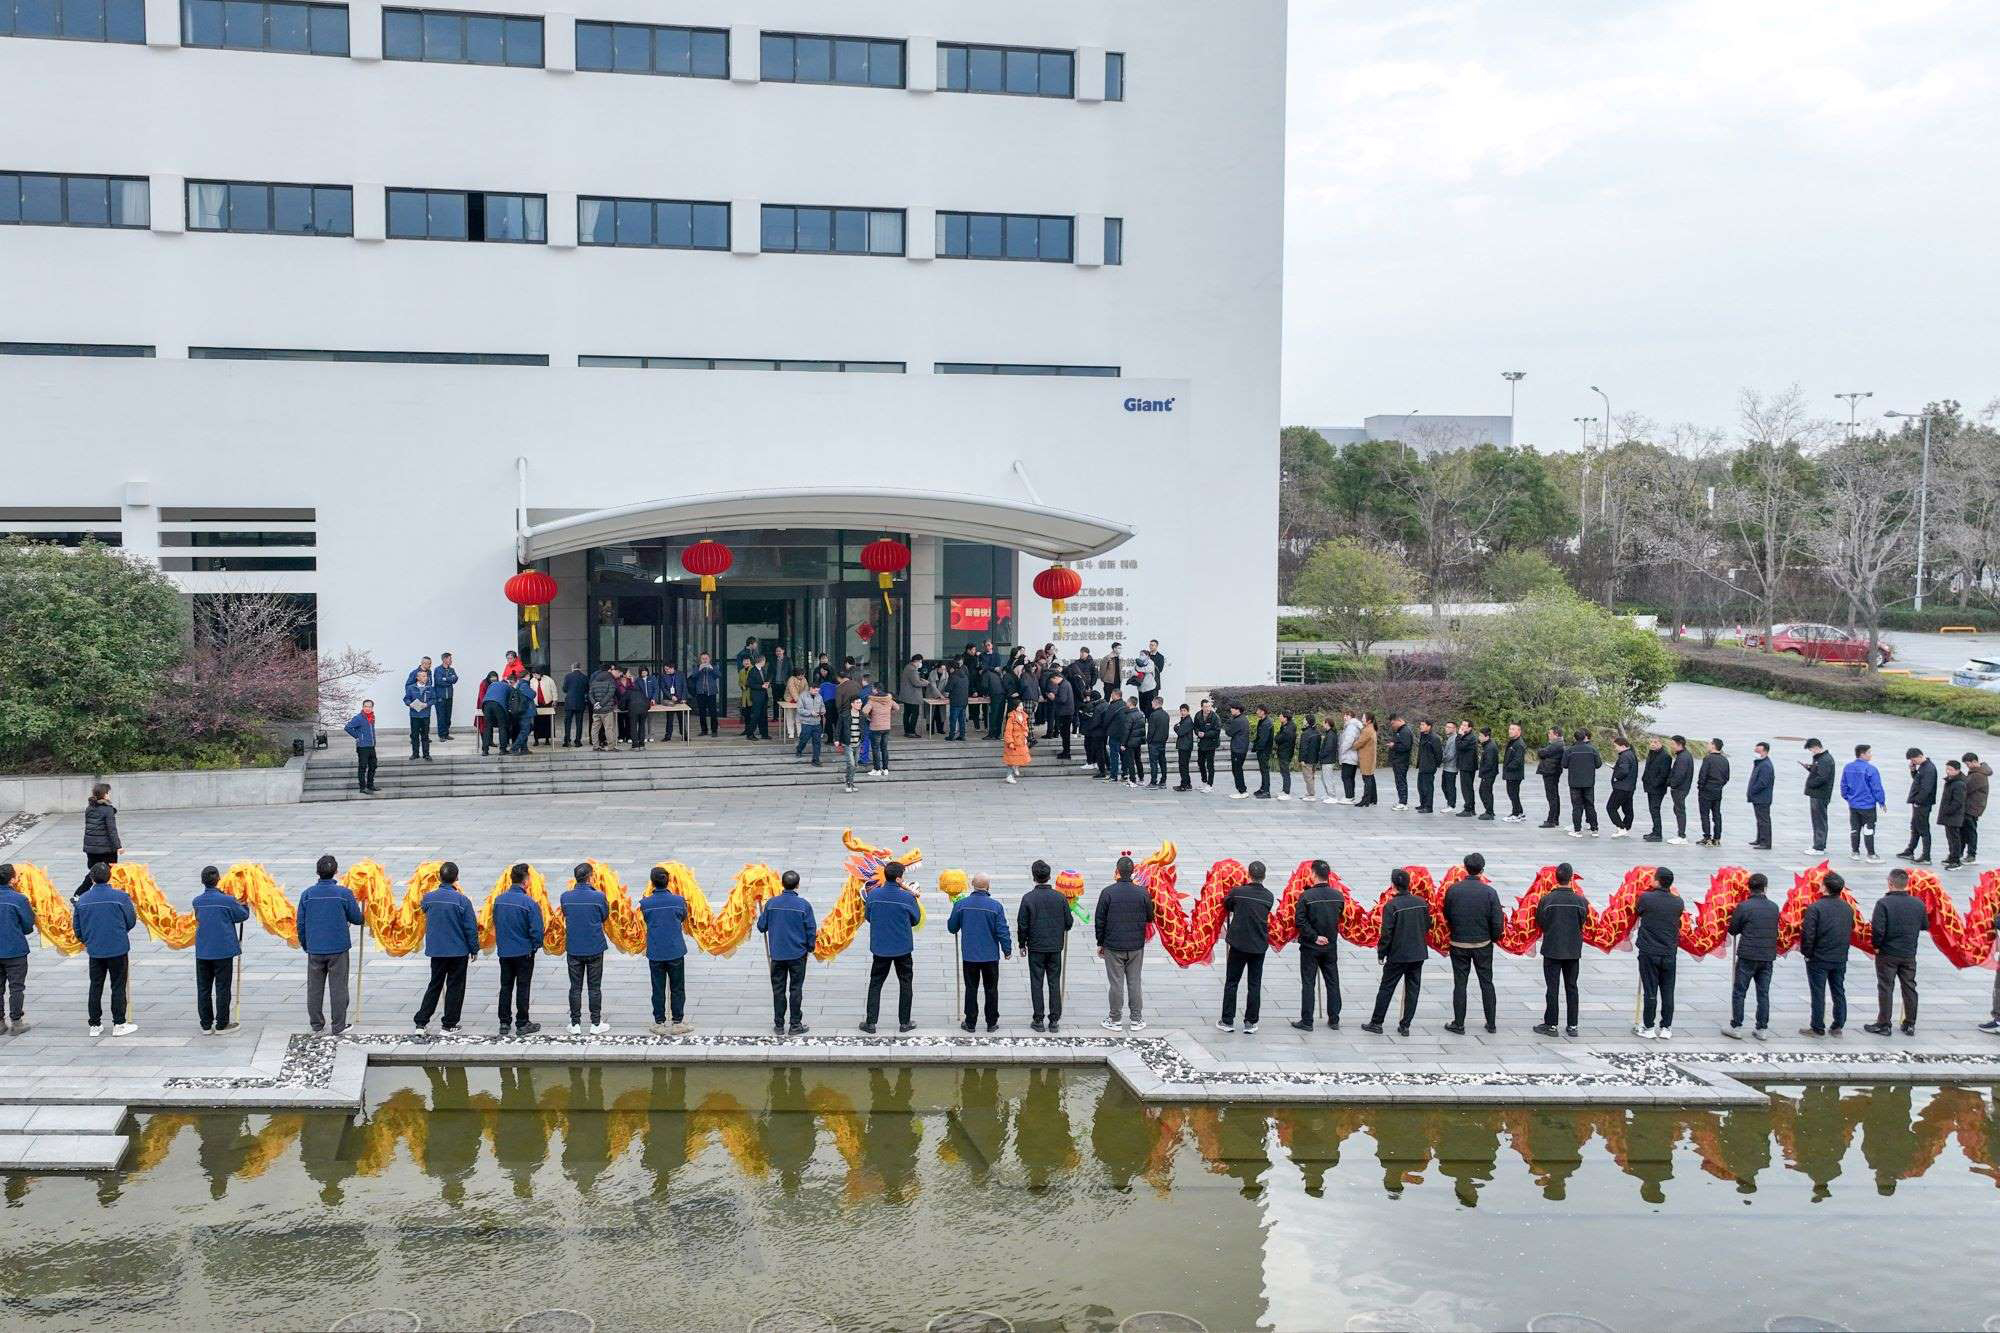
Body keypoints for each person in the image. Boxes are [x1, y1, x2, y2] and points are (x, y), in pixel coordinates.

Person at [298, 855, 362, 1034]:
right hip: (338, 948)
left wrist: (306, 944)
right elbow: (357, 918)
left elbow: (300, 923)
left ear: (317, 872)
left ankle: (317, 1025)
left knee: (314, 988)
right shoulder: (344, 893)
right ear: (336, 871)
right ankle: (338, 1026)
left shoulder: (307, 894)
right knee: (338, 987)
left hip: (315, 948)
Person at [413, 861, 479, 1033]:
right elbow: (470, 927)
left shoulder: (428, 898)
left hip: (437, 950)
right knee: (455, 987)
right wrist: (474, 948)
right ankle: (449, 1023)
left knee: (435, 984)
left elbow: (423, 909)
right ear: (457, 878)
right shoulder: (462, 901)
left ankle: (421, 1022)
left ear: (439, 877)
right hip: (458, 951)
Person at [1441, 852, 1503, 1034]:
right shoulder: (1490, 892)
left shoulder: (1453, 890)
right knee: (1487, 983)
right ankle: (1491, 1023)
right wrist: (1493, 938)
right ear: (1482, 870)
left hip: (1459, 943)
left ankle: (1458, 1024)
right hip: (1482, 944)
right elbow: (1497, 921)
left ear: (1465, 868)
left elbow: (1447, 914)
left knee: (1460, 984)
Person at [1362, 868, 1429, 1036]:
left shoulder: (1392, 905)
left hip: (1398, 954)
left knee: (1387, 988)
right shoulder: (1422, 902)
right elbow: (1427, 925)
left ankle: (1377, 1022)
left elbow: (1387, 933)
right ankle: (1405, 1025)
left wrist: (1381, 953)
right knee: (1413, 989)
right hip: (1418, 953)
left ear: (1393, 885)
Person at [75, 862, 138, 1037]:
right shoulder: (121, 897)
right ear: (110, 876)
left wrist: (87, 939)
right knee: (118, 985)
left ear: (92, 879)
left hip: (95, 949)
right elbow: (131, 920)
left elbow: (77, 927)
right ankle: (119, 1023)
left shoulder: (83, 900)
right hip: (117, 947)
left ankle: (94, 1024)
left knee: (95, 985)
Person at [1094, 855, 1154, 1030]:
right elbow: (1150, 917)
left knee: (1116, 983)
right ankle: (1136, 1019)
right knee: (1134, 981)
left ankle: (1115, 1019)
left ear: (1118, 872)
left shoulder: (1107, 892)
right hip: (1136, 945)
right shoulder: (1143, 892)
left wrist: (1100, 943)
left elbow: (1100, 920)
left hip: (1113, 946)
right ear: (1133, 871)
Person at [949, 872, 1013, 1032]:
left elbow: (952, 928)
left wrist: (955, 910)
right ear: (988, 886)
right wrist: (1007, 949)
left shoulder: (962, 904)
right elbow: (1002, 930)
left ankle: (970, 1022)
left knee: (971, 988)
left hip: (970, 955)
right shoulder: (996, 906)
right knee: (991, 988)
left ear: (972, 885)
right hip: (990, 955)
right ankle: (991, 1022)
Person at [861, 860, 920, 1034]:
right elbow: (915, 920)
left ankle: (871, 1023)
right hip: (902, 947)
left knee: (876, 983)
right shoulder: (907, 897)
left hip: (880, 947)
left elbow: (868, 916)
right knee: (905, 982)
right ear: (900, 878)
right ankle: (904, 1022)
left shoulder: (873, 895)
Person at [1215, 861, 1274, 1033]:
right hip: (1258, 945)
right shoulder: (1268, 896)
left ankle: (1227, 1020)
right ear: (1264, 876)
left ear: (1248, 875)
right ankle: (1251, 1022)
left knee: (1232, 982)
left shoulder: (1238, 892)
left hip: (1239, 944)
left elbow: (1228, 905)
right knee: (1254, 984)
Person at [1866, 867, 1926, 1035]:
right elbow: (1924, 925)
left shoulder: (1883, 903)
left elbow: (1878, 929)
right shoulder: (1918, 903)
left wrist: (1876, 946)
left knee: (1886, 987)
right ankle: (1910, 1023)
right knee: (1909, 987)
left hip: (1887, 953)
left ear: (1890, 883)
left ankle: (1884, 1024)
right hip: (1909, 953)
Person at [757, 870, 818, 1034]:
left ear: (782, 884)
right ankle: (795, 1024)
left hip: (777, 954)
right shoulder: (804, 905)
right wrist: (810, 947)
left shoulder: (771, 904)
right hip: (798, 954)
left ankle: (778, 1025)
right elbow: (811, 929)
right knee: (795, 989)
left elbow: (761, 926)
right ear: (797, 885)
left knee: (778, 990)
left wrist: (763, 912)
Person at [1532, 863, 1587, 1037]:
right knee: (1572, 987)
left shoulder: (1546, 900)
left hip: (1552, 949)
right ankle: (1572, 1025)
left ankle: (1551, 1024)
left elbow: (1541, 922)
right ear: (1571, 878)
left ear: (1556, 878)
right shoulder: (1580, 901)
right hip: (1572, 950)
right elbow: (1582, 921)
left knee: (1552, 987)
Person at [192, 865, 249, 1034]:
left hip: (203, 951)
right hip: (223, 950)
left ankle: (206, 1024)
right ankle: (222, 1023)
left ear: (203, 882)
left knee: (203, 988)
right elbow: (241, 916)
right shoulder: (227, 900)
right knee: (223, 987)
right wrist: (244, 904)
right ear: (218, 880)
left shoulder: (197, 901)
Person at [1017, 861, 1072, 1032]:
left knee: (1037, 982)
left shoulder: (1028, 898)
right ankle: (1054, 1020)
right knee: (1054, 982)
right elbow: (1068, 923)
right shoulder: (1060, 897)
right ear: (1049, 876)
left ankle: (1038, 1019)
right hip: (1055, 946)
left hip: (1036, 946)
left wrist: (1021, 943)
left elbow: (1022, 924)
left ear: (1034, 877)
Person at [1722, 871, 1779, 1039]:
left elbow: (1733, 929)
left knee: (1740, 991)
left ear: (1749, 888)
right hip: (1767, 956)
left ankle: (1737, 1026)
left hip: (1747, 954)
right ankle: (1762, 1029)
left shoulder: (1744, 906)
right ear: (1765, 888)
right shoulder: (1774, 907)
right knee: (1763, 993)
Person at [1798, 869, 1854, 1036]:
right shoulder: (1847, 908)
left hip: (1819, 957)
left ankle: (1817, 1026)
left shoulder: (1815, 908)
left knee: (1818, 991)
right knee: (1838, 990)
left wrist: (1807, 953)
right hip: (1840, 957)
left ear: (1825, 888)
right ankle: (1838, 1025)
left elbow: (1808, 934)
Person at [1290, 859, 1344, 1032]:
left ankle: (1307, 1021)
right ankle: (1334, 1019)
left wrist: (1314, 937)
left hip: (1310, 947)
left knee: (1308, 983)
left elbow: (1300, 921)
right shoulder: (1338, 896)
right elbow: (1340, 917)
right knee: (1332, 982)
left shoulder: (1306, 896)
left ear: (1313, 874)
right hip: (1330, 946)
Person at [492, 862, 544, 1036]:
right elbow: (536, 930)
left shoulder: (499, 900)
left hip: (505, 952)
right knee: (523, 986)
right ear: (526, 880)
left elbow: (496, 922)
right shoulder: (529, 903)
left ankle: (504, 1023)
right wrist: (535, 946)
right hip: (524, 952)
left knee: (505, 986)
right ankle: (522, 1023)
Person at [1633, 866, 1683, 1040]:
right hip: (1669, 952)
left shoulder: (1646, 898)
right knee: (1668, 991)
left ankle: (1648, 1027)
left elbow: (1637, 911)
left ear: (1658, 880)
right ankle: (1666, 1027)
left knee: (1650, 990)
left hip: (1649, 951)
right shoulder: (1678, 902)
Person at [640, 867, 692, 1035]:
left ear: (652, 882)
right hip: (675, 950)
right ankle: (678, 1022)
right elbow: (683, 917)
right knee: (677, 987)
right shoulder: (678, 901)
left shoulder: (645, 903)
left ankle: (659, 1022)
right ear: (668, 881)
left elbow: (646, 919)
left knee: (658, 987)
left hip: (655, 950)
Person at [561, 864, 611, 1035]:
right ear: (590, 877)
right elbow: (604, 915)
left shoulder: (565, 897)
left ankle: (575, 1024)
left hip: (574, 948)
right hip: (595, 947)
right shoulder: (598, 896)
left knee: (575, 987)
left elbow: (566, 914)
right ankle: (596, 1024)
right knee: (594, 987)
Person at [0, 865, 33, 1034]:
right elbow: (28, 926)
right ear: (12, 880)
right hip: (15, 950)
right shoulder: (19, 899)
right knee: (16, 987)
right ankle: (16, 1022)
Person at [1842, 743, 1887, 862]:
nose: (1871, 755)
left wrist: (1848, 798)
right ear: (1862, 754)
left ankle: (1855, 852)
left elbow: (1844, 785)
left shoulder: (1848, 767)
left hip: (1853, 804)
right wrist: (1881, 801)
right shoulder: (1871, 769)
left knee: (1855, 828)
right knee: (1869, 829)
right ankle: (1871, 854)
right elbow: (1876, 787)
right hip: (1868, 805)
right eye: (1869, 752)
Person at [76, 782, 122, 895]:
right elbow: (112, 830)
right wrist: (118, 846)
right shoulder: (108, 810)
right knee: (108, 872)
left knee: (94, 873)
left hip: (91, 849)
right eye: (108, 793)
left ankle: (79, 894)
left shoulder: (89, 808)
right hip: (106, 849)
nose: (109, 795)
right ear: (105, 795)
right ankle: (106, 895)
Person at [1900, 747, 1938, 864]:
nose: (1913, 762)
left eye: (1913, 760)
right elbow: (1918, 781)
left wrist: (1918, 801)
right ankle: (1910, 850)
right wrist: (1913, 770)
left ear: (1919, 756)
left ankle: (1926, 856)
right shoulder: (1923, 767)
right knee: (1915, 827)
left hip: (1923, 804)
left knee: (1923, 829)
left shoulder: (1929, 769)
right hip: (1919, 803)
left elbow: (1926, 788)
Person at [1800, 738, 1836, 855]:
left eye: (1811, 750)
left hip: (1820, 794)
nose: (1811, 752)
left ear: (1816, 747)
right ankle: (1817, 844)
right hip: (1817, 793)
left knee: (1819, 820)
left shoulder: (1825, 759)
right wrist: (1811, 768)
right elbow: (1819, 772)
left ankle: (1819, 847)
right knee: (1817, 820)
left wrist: (1810, 784)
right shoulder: (1821, 759)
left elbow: (1823, 777)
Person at [1565, 729, 1602, 836]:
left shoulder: (1570, 750)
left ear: (1575, 738)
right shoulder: (1592, 749)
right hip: (1589, 782)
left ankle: (1577, 830)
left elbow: (1564, 765)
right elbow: (1598, 764)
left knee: (1577, 806)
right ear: (1585, 737)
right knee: (1590, 805)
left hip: (1574, 782)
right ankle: (1594, 829)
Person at [1696, 737, 1731, 846]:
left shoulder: (1708, 759)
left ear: (1714, 745)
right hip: (1718, 790)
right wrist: (1719, 785)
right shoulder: (1725, 760)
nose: (1707, 745)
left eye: (1709, 744)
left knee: (1705, 814)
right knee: (1717, 814)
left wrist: (1700, 786)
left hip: (1706, 790)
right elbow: (1726, 777)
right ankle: (1717, 838)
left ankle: (1707, 837)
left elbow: (1703, 775)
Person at [1744, 742, 1776, 850]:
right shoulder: (1760, 763)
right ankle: (1760, 838)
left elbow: (1763, 783)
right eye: (1755, 750)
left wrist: (1752, 791)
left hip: (1762, 797)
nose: (1756, 753)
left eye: (1758, 751)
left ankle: (1766, 842)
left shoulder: (1765, 765)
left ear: (1765, 751)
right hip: (1759, 797)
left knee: (1764, 820)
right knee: (1760, 820)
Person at [1641, 736, 1671, 843]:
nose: (1653, 744)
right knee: (1652, 809)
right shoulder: (1651, 753)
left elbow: (1664, 774)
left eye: (1655, 742)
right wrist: (1644, 779)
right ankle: (1655, 831)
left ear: (1661, 743)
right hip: (1650, 787)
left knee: (1655, 809)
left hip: (1657, 788)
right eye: (1651, 742)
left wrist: (1655, 784)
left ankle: (1658, 834)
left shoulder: (1665, 756)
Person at [344, 704, 379, 796]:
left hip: (371, 746)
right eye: (366, 706)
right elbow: (347, 727)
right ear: (363, 707)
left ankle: (370, 785)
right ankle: (362, 788)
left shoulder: (372, 717)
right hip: (362, 747)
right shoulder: (358, 718)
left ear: (372, 708)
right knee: (363, 767)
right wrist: (357, 736)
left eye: (370, 707)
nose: (368, 708)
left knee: (373, 766)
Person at [1667, 735, 1695, 845]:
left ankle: (1681, 836)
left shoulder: (1683, 757)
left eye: (1673, 744)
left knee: (1680, 811)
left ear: (1679, 744)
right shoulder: (1683, 755)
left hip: (1680, 789)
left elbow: (1679, 774)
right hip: (1681, 788)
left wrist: (1672, 784)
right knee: (1678, 810)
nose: (1671, 746)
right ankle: (1680, 834)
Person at [836, 692, 866, 794]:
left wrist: (863, 739)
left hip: (857, 743)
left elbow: (863, 728)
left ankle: (851, 782)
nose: (860, 704)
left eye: (860, 702)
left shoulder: (862, 715)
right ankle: (848, 783)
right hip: (847, 743)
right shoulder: (845, 714)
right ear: (852, 704)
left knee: (855, 765)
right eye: (857, 703)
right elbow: (838, 728)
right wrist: (837, 739)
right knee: (851, 764)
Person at [1536, 728, 1566, 828]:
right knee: (1554, 796)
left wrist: (1542, 752)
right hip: (1552, 771)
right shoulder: (1556, 744)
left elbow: (1542, 753)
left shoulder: (1557, 745)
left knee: (1552, 796)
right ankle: (1555, 818)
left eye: (1550, 733)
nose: (1548, 735)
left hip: (1551, 771)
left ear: (1556, 734)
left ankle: (1551, 819)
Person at [403, 668, 434, 760]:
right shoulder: (411, 688)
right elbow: (406, 699)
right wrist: (410, 704)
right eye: (423, 676)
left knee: (425, 735)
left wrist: (427, 704)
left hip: (425, 715)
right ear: (418, 678)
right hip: (415, 715)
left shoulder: (430, 688)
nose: (426, 678)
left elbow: (434, 699)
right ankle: (415, 754)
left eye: (426, 676)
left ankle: (426, 754)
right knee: (414, 735)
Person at [1965, 752, 1991, 865]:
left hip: (1973, 807)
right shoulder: (1976, 772)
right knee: (1967, 831)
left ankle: (1971, 854)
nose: (1967, 766)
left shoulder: (1978, 775)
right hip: (1972, 806)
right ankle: (1967, 854)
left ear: (1974, 762)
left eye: (1968, 764)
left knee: (1971, 831)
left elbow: (1966, 789)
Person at [793, 677, 825, 765]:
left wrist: (823, 710)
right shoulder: (803, 696)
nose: (817, 692)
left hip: (817, 723)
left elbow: (822, 706)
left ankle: (815, 760)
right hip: (806, 723)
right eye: (815, 691)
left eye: (818, 691)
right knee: (804, 739)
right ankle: (799, 749)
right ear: (810, 689)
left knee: (817, 742)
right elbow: (799, 710)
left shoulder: (819, 696)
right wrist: (811, 712)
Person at [688, 652, 721, 737]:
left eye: (706, 658)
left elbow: (718, 675)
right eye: (703, 658)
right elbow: (694, 676)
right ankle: (704, 730)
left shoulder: (714, 667)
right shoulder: (697, 667)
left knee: (713, 712)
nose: (705, 660)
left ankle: (714, 730)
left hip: (711, 693)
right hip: (701, 693)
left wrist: (711, 669)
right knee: (702, 712)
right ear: (700, 660)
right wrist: (699, 669)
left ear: (709, 659)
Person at [864, 686, 895, 775]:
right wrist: (888, 712)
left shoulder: (872, 701)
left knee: (875, 749)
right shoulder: (889, 700)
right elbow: (897, 708)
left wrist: (869, 717)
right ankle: (885, 769)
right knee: (884, 748)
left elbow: (865, 711)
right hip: (886, 727)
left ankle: (877, 769)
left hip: (875, 728)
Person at [586, 664, 618, 751]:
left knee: (595, 729)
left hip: (596, 710)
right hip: (607, 709)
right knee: (608, 728)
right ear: (608, 670)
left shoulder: (594, 680)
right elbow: (610, 694)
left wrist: (595, 704)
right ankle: (611, 746)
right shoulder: (611, 680)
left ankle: (595, 746)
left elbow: (590, 694)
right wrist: (601, 704)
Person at [1388, 714, 1415, 809]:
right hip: (1397, 761)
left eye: (1393, 723)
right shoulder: (1399, 731)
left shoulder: (1405, 731)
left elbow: (1406, 747)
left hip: (1402, 761)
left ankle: (1403, 803)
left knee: (1401, 781)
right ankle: (1401, 801)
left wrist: (1393, 746)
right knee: (1399, 781)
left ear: (1399, 720)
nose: (1392, 726)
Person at [1415, 720, 1442, 814]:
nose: (1420, 726)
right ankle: (1423, 804)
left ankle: (1428, 807)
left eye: (1423, 725)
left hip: (1429, 766)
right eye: (1420, 724)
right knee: (1420, 786)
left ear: (1429, 726)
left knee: (1428, 787)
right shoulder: (1423, 736)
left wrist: (1435, 765)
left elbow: (1438, 754)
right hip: (1422, 765)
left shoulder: (1434, 738)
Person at [1195, 699, 1222, 792]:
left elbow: (1217, 731)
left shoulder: (1215, 717)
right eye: (1206, 707)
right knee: (1200, 762)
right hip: (1201, 743)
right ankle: (1204, 781)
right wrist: (1198, 732)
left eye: (1209, 706)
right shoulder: (1198, 715)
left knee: (1210, 765)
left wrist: (1205, 734)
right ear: (1202, 707)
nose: (1208, 708)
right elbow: (1195, 727)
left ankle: (1210, 785)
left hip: (1211, 744)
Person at [1225, 704, 1251, 799]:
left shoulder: (1238, 721)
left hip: (1238, 749)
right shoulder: (1243, 718)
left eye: (1233, 708)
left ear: (1238, 710)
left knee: (1237, 770)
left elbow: (1229, 732)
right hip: (1241, 748)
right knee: (1237, 769)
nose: (1231, 709)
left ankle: (1242, 791)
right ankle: (1242, 790)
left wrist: (1228, 723)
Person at [1451, 721, 1478, 814]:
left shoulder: (1470, 737)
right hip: (1466, 765)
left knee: (1466, 788)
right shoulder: (1466, 736)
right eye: (1461, 725)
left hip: (1467, 766)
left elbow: (1459, 746)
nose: (1462, 727)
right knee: (1467, 787)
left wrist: (1458, 735)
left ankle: (1468, 809)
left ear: (1470, 728)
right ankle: (1471, 808)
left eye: (1465, 725)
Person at [1502, 722, 1527, 821]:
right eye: (1510, 729)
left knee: (1513, 793)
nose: (1510, 731)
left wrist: (1508, 767)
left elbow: (1518, 760)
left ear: (1519, 731)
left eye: (1513, 729)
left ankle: (1516, 814)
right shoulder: (1513, 741)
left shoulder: (1519, 744)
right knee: (1513, 793)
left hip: (1514, 774)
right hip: (1511, 773)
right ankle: (1519, 812)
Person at [431, 652, 459, 741]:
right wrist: (449, 679)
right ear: (444, 659)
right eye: (450, 659)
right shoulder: (438, 670)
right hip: (440, 697)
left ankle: (446, 734)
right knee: (441, 717)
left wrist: (446, 679)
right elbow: (439, 681)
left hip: (449, 697)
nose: (451, 661)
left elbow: (455, 679)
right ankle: (441, 735)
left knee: (448, 717)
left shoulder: (452, 670)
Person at [559, 662, 589, 747]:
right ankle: (578, 741)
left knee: (567, 722)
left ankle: (567, 741)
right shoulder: (584, 677)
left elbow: (564, 689)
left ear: (572, 668)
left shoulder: (568, 676)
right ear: (580, 668)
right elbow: (587, 689)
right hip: (580, 701)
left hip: (569, 702)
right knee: (579, 722)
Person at [507, 670, 536, 755]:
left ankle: (524, 748)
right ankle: (514, 748)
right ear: (526, 675)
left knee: (525, 729)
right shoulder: (524, 685)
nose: (530, 677)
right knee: (525, 730)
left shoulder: (520, 684)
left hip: (522, 711)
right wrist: (533, 691)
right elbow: (532, 694)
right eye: (529, 675)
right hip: (526, 712)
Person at [897, 654, 926, 738]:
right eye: (920, 662)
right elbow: (916, 683)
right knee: (915, 714)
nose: (921, 663)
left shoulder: (908, 667)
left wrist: (920, 679)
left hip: (907, 696)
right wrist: (925, 683)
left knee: (907, 713)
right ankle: (911, 732)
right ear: (916, 661)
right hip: (913, 697)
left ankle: (907, 731)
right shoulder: (912, 670)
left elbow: (913, 680)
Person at [1121, 697, 1147, 787]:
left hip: (1130, 742)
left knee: (1130, 761)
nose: (1126, 703)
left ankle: (1132, 780)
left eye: (1127, 702)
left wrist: (1123, 743)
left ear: (1130, 703)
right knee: (1138, 760)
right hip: (1138, 741)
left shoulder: (1129, 715)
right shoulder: (1141, 714)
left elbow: (1126, 731)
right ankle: (1141, 779)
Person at [623, 666, 652, 749]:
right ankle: (642, 744)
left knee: (633, 726)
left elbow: (622, 704)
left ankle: (635, 745)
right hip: (643, 710)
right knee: (642, 726)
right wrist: (646, 708)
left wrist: (624, 708)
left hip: (633, 710)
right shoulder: (641, 692)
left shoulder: (628, 691)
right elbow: (647, 703)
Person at [1475, 726, 1499, 821]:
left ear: (1487, 737)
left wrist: (1482, 771)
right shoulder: (1488, 745)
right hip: (1488, 773)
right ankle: (1489, 811)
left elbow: (1489, 763)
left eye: (1481, 735)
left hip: (1489, 774)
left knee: (1485, 792)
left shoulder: (1490, 747)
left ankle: (1489, 812)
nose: (1479, 737)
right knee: (1484, 791)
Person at [1337, 709, 1362, 803]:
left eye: (1347, 716)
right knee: (1350, 777)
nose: (1344, 717)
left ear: (1351, 717)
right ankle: (1350, 796)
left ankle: (1349, 796)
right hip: (1352, 755)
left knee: (1346, 776)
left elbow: (1348, 741)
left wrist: (1341, 751)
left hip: (1349, 756)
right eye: (1344, 715)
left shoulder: (1351, 727)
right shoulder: (1354, 726)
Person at [1251, 705, 1276, 800]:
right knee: (1262, 770)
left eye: (1258, 711)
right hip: (1262, 750)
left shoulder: (1267, 723)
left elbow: (1263, 740)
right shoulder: (1262, 721)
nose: (1256, 712)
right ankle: (1262, 788)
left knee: (1265, 771)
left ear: (1263, 712)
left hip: (1264, 751)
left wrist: (1257, 747)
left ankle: (1266, 791)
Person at [1356, 713, 1380, 807]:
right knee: (1370, 777)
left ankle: (1366, 800)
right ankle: (1373, 799)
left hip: (1366, 757)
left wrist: (1352, 745)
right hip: (1370, 757)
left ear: (1369, 720)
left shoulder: (1367, 730)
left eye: (1363, 718)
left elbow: (1360, 742)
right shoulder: (1371, 728)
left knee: (1367, 779)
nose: (1362, 720)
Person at [1147, 701, 1172, 791]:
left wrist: (1148, 740)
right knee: (1162, 762)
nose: (1151, 704)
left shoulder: (1153, 715)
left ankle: (1153, 781)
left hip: (1154, 742)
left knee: (1153, 762)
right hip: (1162, 742)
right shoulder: (1166, 714)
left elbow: (1151, 730)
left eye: (1153, 702)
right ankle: (1163, 781)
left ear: (1156, 703)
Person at [1174, 704, 1198, 792]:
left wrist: (1176, 727)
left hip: (1185, 746)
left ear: (1188, 711)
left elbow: (1180, 732)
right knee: (1184, 766)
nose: (1182, 712)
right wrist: (1177, 727)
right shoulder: (1184, 720)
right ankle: (1188, 784)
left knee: (1183, 766)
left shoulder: (1188, 721)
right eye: (1181, 710)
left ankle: (1183, 785)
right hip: (1184, 746)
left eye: (1184, 711)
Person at [946, 659, 971, 742]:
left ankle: (951, 736)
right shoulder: (965, 676)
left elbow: (948, 688)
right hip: (964, 701)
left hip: (955, 701)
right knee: (962, 720)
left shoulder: (953, 676)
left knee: (953, 719)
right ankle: (962, 735)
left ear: (952, 668)